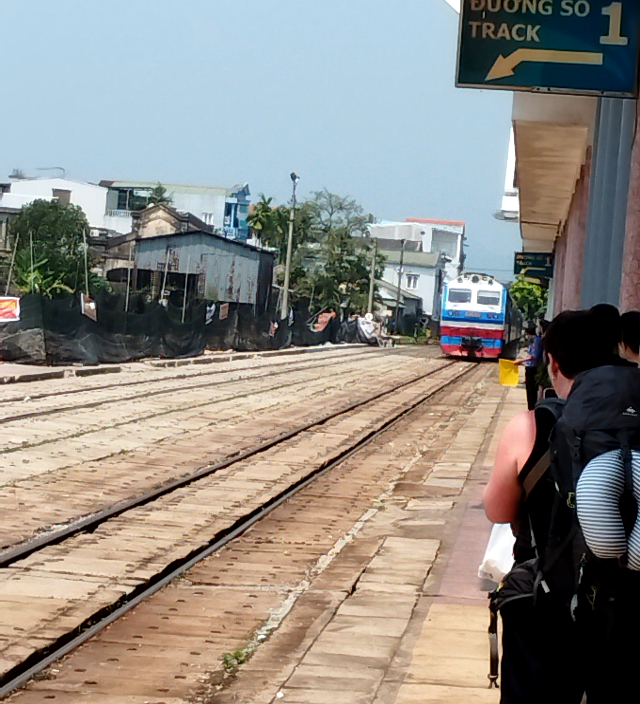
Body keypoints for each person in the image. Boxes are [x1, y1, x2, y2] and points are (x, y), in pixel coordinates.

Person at [484, 310, 608, 704]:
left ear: (552, 362)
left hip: (545, 600)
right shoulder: (631, 420)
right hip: (619, 600)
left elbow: (499, 510)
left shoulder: (531, 425)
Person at [515, 325, 543, 410]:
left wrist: (521, 361)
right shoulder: (533, 341)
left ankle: (532, 409)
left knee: (532, 391)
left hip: (533, 369)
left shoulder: (536, 341)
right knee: (529, 391)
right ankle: (530, 408)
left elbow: (533, 356)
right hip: (530, 368)